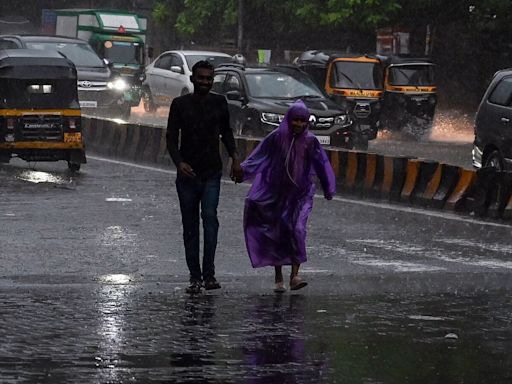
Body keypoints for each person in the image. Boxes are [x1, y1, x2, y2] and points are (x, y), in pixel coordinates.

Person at [240, 100, 336, 292]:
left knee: (297, 229)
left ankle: (295, 275)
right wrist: (241, 171)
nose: (299, 124)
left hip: (301, 194)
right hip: (277, 193)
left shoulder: (311, 141)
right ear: (289, 119)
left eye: (303, 120)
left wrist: (328, 187)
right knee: (278, 231)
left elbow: (322, 165)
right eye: (295, 120)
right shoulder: (276, 138)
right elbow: (259, 157)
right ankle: (278, 277)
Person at [166, 60, 243, 294]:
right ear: (192, 79)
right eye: (201, 78)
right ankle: (195, 277)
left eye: (209, 79)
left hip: (212, 172)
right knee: (190, 226)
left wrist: (235, 157)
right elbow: (171, 138)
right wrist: (179, 163)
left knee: (210, 219)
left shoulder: (219, 103)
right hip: (188, 176)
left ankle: (209, 274)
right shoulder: (179, 105)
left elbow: (226, 132)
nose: (205, 83)